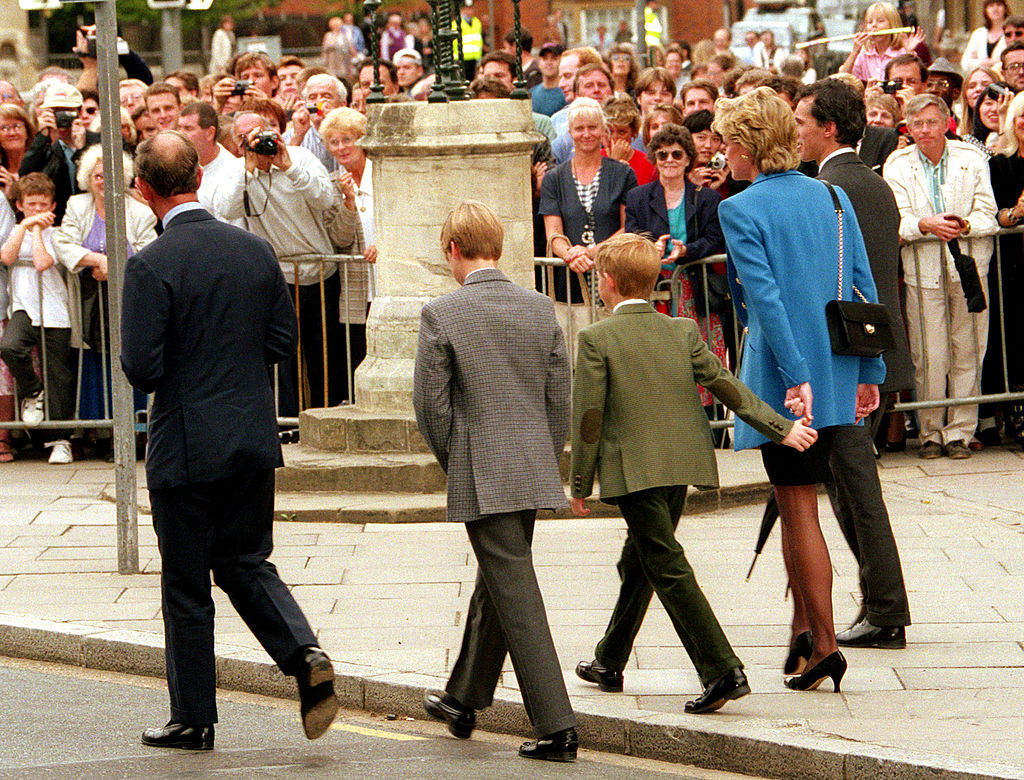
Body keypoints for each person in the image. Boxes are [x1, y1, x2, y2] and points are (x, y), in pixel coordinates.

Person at [122, 130, 338, 750]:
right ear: (195, 176)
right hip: (250, 434)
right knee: (246, 562)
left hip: (185, 444)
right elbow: (280, 343)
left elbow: (142, 366)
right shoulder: (254, 251)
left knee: (187, 584)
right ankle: (303, 653)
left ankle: (193, 716)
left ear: (144, 190)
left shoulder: (150, 264)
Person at [570, 231, 816, 711]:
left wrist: (580, 483)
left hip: (633, 471)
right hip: (681, 465)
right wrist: (780, 428)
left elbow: (589, 419)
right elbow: (727, 384)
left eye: (600, 276)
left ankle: (722, 669)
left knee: (666, 566)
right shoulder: (680, 330)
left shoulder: (596, 337)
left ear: (610, 282)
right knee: (641, 560)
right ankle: (609, 659)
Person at [714, 87, 887, 691]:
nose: (722, 156)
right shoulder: (833, 197)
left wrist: (794, 380)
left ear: (746, 147)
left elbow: (765, 303)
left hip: (786, 383)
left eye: (726, 144)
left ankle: (824, 643)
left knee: (799, 510)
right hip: (839, 373)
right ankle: (803, 633)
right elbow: (863, 293)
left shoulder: (740, 209)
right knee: (798, 507)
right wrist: (871, 377)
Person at [413, 201, 577, 763]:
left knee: (516, 588)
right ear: (499, 248)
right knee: (501, 578)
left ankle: (557, 724)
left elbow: (431, 409)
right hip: (532, 460)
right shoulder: (539, 307)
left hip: (481, 465)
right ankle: (464, 696)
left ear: (453, 250)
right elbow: (561, 396)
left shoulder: (442, 313)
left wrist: (456, 458)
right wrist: (544, 452)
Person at [794, 79, 912, 648]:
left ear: (829, 128)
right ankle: (880, 601)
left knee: (856, 487)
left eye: (802, 123)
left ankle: (886, 608)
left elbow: (840, 282)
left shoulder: (830, 187)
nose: (796, 133)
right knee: (848, 485)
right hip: (872, 350)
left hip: (849, 357)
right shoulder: (873, 183)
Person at [883, 94, 999, 459]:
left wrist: (964, 224)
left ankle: (960, 432)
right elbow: (896, 218)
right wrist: (924, 224)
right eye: (916, 124)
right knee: (928, 353)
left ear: (947, 122)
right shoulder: (897, 164)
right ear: (908, 126)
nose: (924, 130)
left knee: (968, 349)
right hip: (922, 270)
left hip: (968, 267)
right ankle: (931, 431)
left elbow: (988, 212)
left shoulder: (972, 158)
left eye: (932, 122)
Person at [214, 112, 345, 414]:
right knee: (284, 357)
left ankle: (325, 417)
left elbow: (325, 199)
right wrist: (246, 171)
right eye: (245, 138)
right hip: (277, 278)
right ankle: (289, 423)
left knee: (323, 354)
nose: (256, 143)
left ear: (274, 133)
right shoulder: (237, 171)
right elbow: (226, 209)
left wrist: (287, 165)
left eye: (259, 134)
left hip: (320, 272)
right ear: (237, 144)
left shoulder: (300, 158)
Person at [625, 124, 728, 406]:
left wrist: (686, 250)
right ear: (654, 159)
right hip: (655, 290)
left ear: (687, 158)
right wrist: (651, 248)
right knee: (659, 358)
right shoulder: (638, 197)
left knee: (702, 357)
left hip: (696, 290)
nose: (669, 160)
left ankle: (711, 426)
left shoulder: (707, 198)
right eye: (662, 155)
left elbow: (714, 238)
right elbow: (632, 234)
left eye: (676, 154)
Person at [0, 173, 74, 464]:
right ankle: (33, 391)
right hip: (23, 307)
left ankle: (61, 440)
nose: (37, 209)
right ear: (19, 204)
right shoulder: (15, 230)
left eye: (42, 204)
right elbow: (7, 257)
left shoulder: (56, 234)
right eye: (31, 204)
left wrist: (35, 230)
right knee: (10, 347)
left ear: (52, 205)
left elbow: (43, 262)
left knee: (58, 374)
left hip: (54, 311)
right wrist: (25, 226)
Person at [540, 98, 637, 309]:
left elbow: (627, 228)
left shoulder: (623, 173)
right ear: (570, 133)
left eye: (593, 127)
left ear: (603, 130)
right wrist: (570, 255)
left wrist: (590, 252)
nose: (586, 134)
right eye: (579, 128)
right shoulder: (553, 178)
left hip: (614, 277)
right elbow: (553, 235)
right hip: (569, 279)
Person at [980, 91, 1024, 443]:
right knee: (1013, 339)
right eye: (1021, 115)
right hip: (1012, 267)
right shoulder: (1000, 164)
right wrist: (1016, 213)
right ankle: (1013, 414)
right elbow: (996, 215)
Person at [840, 2, 924, 83]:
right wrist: (854, 52)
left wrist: (909, 51)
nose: (874, 25)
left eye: (880, 21)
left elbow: (917, 79)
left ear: (892, 25)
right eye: (870, 22)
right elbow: (842, 78)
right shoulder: (865, 53)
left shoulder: (902, 52)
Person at [283, 73, 347, 172]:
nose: (319, 102)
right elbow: (284, 172)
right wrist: (298, 136)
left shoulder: (354, 133)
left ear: (342, 104)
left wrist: (334, 124)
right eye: (312, 98)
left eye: (326, 96)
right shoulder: (291, 135)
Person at [962, 0, 1010, 72]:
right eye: (991, 6)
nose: (995, 9)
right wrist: (993, 61)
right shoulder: (978, 34)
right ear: (985, 10)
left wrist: (978, 61)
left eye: (999, 5)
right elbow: (965, 64)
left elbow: (1011, 61)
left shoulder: (1012, 33)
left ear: (1005, 8)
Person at [0, 104, 34, 202]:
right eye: (4, 128)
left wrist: (13, 195)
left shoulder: (41, 164)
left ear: (27, 131)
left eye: (17, 126)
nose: (12, 133)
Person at [531, 43, 566, 116]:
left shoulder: (566, 93)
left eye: (554, 58)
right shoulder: (531, 93)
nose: (549, 62)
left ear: (562, 62)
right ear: (539, 62)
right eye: (545, 58)